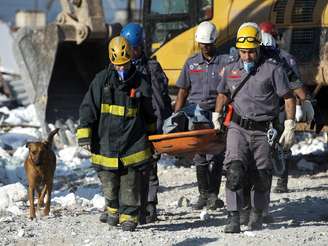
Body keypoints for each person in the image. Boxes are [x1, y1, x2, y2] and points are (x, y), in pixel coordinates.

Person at [213, 22, 296, 233]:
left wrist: (289, 124)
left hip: (263, 130)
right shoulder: (231, 69)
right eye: (243, 52)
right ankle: (233, 217)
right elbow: (223, 93)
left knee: (262, 176)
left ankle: (256, 215)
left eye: (251, 52)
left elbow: (288, 97)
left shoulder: (273, 69)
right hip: (238, 128)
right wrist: (216, 113)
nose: (247, 56)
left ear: (259, 48)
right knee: (234, 171)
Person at [76, 36, 156, 231]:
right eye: (118, 65)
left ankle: (129, 216)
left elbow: (149, 112)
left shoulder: (141, 82)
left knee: (130, 180)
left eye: (125, 64)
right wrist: (85, 135)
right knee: (109, 182)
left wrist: (154, 137)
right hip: (105, 142)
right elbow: (88, 107)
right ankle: (113, 209)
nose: (122, 69)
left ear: (131, 60)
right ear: (111, 62)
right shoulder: (101, 80)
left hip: (133, 141)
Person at [121, 22, 172, 223]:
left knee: (149, 168)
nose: (132, 53)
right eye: (128, 49)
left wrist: (161, 127)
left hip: (149, 126)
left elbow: (160, 101)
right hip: (128, 129)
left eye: (134, 48)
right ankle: (130, 207)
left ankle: (149, 205)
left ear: (141, 47)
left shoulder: (151, 68)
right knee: (128, 170)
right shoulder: (118, 71)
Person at [174, 21, 228, 211]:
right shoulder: (191, 63)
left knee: (217, 155)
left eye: (208, 44)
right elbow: (182, 91)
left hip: (217, 114)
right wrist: (175, 116)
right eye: (202, 44)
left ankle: (213, 195)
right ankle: (204, 195)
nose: (205, 47)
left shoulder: (226, 62)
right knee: (200, 156)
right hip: (196, 115)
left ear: (214, 42)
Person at [259, 21, 314, 193]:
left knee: (282, 143)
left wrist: (302, 102)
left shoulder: (284, 60)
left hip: (281, 108)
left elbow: (294, 82)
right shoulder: (252, 61)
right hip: (263, 110)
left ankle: (281, 181)